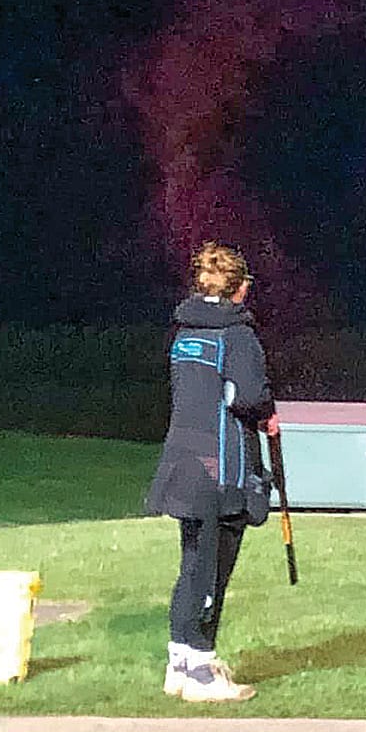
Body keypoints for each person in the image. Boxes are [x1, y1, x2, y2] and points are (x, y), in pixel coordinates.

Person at [145, 242, 279, 703]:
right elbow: (249, 396)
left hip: (184, 463)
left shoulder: (184, 332)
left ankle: (180, 662)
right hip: (221, 470)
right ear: (242, 289)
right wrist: (267, 415)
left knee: (191, 566)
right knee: (211, 569)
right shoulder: (238, 337)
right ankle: (201, 671)